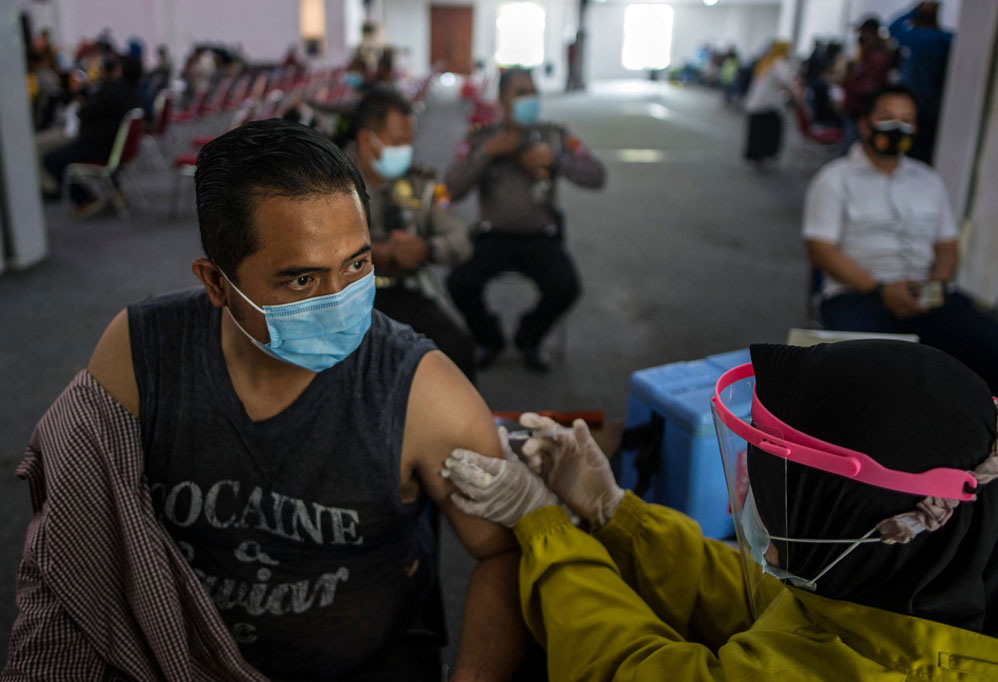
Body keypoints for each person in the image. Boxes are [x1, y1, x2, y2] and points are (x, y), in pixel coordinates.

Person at [4, 120, 530, 681]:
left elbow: (503, 551)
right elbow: (78, 550)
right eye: (301, 281)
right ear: (215, 283)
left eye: (356, 264)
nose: (340, 300)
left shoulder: (418, 388)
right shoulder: (142, 353)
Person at [440, 340, 998, 680]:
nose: (765, 543)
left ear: (868, 522)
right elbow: (772, 603)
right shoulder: (929, 569)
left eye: (782, 507)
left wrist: (544, 525)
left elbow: (628, 668)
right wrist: (615, 513)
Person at [803, 84, 998, 402]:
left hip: (927, 296)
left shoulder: (928, 180)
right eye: (888, 118)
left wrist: (935, 285)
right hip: (860, 294)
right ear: (866, 124)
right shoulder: (835, 179)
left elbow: (947, 245)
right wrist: (880, 289)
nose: (898, 128)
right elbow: (820, 250)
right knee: (876, 381)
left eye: (907, 120)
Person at [445, 68, 606, 372]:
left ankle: (529, 337)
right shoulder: (481, 138)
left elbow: (597, 176)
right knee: (459, 283)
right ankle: (488, 338)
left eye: (533, 92)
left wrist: (556, 160)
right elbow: (448, 191)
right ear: (502, 101)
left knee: (566, 287)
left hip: (540, 236)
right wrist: (486, 154)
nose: (529, 99)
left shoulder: (556, 135)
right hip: (493, 236)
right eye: (520, 93)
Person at [348, 88, 476, 381]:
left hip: (404, 291)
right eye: (397, 143)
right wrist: (372, 254)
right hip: (344, 297)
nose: (406, 152)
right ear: (366, 140)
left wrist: (426, 249)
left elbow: (459, 238)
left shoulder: (423, 183)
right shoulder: (327, 183)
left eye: (409, 143)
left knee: (455, 351)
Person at [42, 54, 146, 218]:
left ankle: (86, 199)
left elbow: (83, 114)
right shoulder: (133, 92)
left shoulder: (108, 92)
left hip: (100, 148)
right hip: (115, 148)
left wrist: (83, 103)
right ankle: (115, 191)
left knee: (51, 159)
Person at [888, 1, 953, 164]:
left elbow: (892, 27)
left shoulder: (918, 38)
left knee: (909, 147)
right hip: (936, 103)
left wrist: (915, 10)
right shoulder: (945, 38)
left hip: (916, 100)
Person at [842, 17, 894, 150]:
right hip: (856, 112)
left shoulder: (877, 58)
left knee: (854, 151)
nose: (861, 38)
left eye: (865, 34)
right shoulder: (867, 56)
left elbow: (871, 88)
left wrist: (850, 84)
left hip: (861, 112)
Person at [743, 41, 796, 166]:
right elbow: (787, 79)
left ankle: (757, 156)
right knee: (767, 132)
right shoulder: (778, 62)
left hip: (756, 103)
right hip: (765, 105)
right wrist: (795, 91)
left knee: (757, 133)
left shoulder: (767, 61)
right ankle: (764, 155)